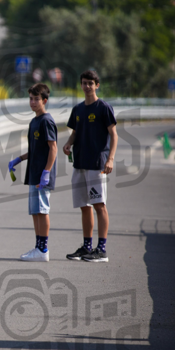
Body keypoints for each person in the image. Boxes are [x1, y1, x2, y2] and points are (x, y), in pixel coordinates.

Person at [63, 69, 117, 263]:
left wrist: (110, 159)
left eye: (90, 83)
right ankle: (87, 247)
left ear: (97, 85)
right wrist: (69, 143)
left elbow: (114, 134)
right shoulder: (77, 109)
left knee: (99, 205)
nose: (87, 86)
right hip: (80, 163)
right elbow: (75, 132)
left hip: (96, 164)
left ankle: (101, 249)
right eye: (84, 83)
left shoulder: (103, 107)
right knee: (84, 206)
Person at [8, 83, 57, 261]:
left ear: (44, 100)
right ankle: (38, 247)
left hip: (42, 174)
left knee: (43, 210)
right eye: (31, 98)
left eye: (36, 99)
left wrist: (47, 172)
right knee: (35, 211)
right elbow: (36, 150)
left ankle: (43, 250)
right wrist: (18, 160)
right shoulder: (34, 121)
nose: (33, 102)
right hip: (33, 172)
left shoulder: (46, 121)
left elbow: (53, 148)